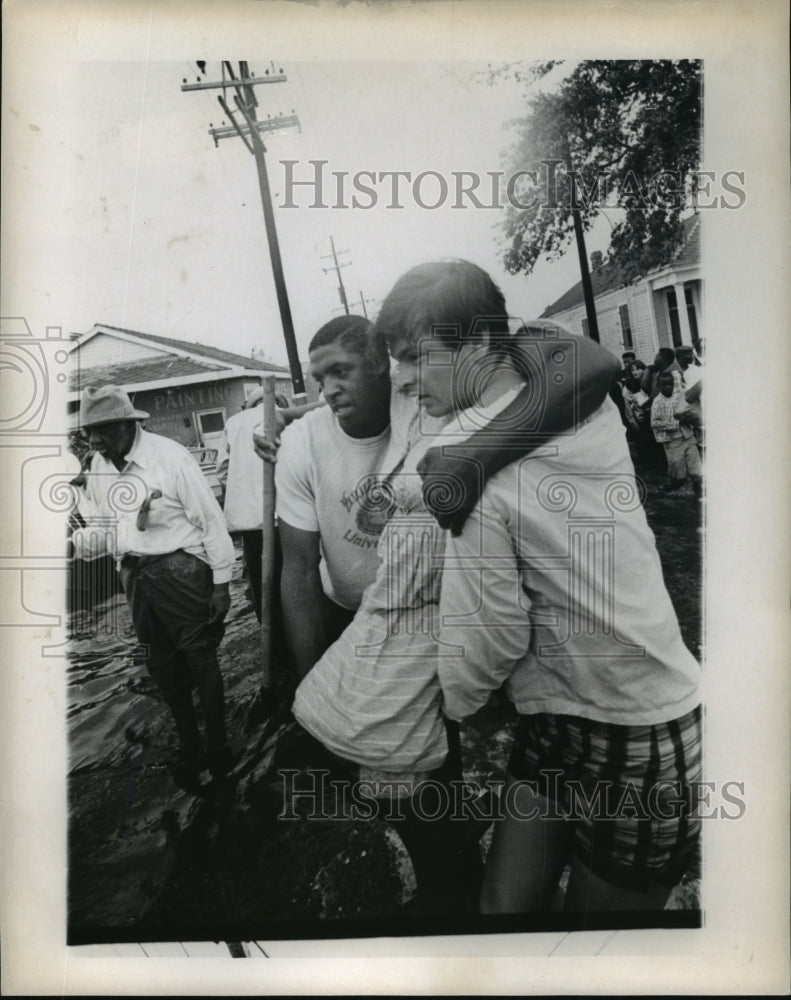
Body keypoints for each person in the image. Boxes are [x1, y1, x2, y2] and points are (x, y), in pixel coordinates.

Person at [367, 260, 702, 915]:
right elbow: (567, 354)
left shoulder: (471, 454)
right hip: (582, 716)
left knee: (585, 956)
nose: (401, 380)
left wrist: (409, 697)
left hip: (629, 735)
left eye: (413, 358)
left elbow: (484, 642)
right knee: (506, 914)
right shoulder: (557, 401)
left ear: (477, 348)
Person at [276, 304, 621, 912]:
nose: (327, 390)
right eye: (316, 379)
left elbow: (582, 363)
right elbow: (296, 570)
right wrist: (308, 675)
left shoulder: (427, 403)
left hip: (433, 624)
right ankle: (449, 852)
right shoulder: (305, 440)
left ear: (388, 367)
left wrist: (476, 453)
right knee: (363, 765)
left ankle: (451, 873)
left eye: (341, 372)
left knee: (423, 773)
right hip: (364, 621)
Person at [70, 385, 236, 790]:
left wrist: (221, 586)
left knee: (200, 658)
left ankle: (219, 747)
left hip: (180, 569)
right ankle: (190, 744)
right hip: (135, 576)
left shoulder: (170, 457)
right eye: (90, 431)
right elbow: (106, 533)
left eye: (103, 430)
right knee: (161, 666)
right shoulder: (97, 468)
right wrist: (71, 543)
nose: (94, 440)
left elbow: (212, 523)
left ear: (128, 424)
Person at [216, 387, 266, 621]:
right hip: (289, 514)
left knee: (259, 578)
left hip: (251, 520)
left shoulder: (234, 423)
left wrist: (245, 489)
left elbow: (223, 472)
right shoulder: (293, 417)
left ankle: (267, 626)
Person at [650, 370, 703, 497]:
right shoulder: (657, 402)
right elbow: (654, 423)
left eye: (670, 384)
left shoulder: (679, 397)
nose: (668, 387)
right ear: (659, 386)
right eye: (665, 385)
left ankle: (698, 487)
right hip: (672, 441)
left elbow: (690, 410)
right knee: (678, 469)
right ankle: (673, 485)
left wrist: (691, 419)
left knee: (695, 464)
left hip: (688, 436)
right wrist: (675, 424)